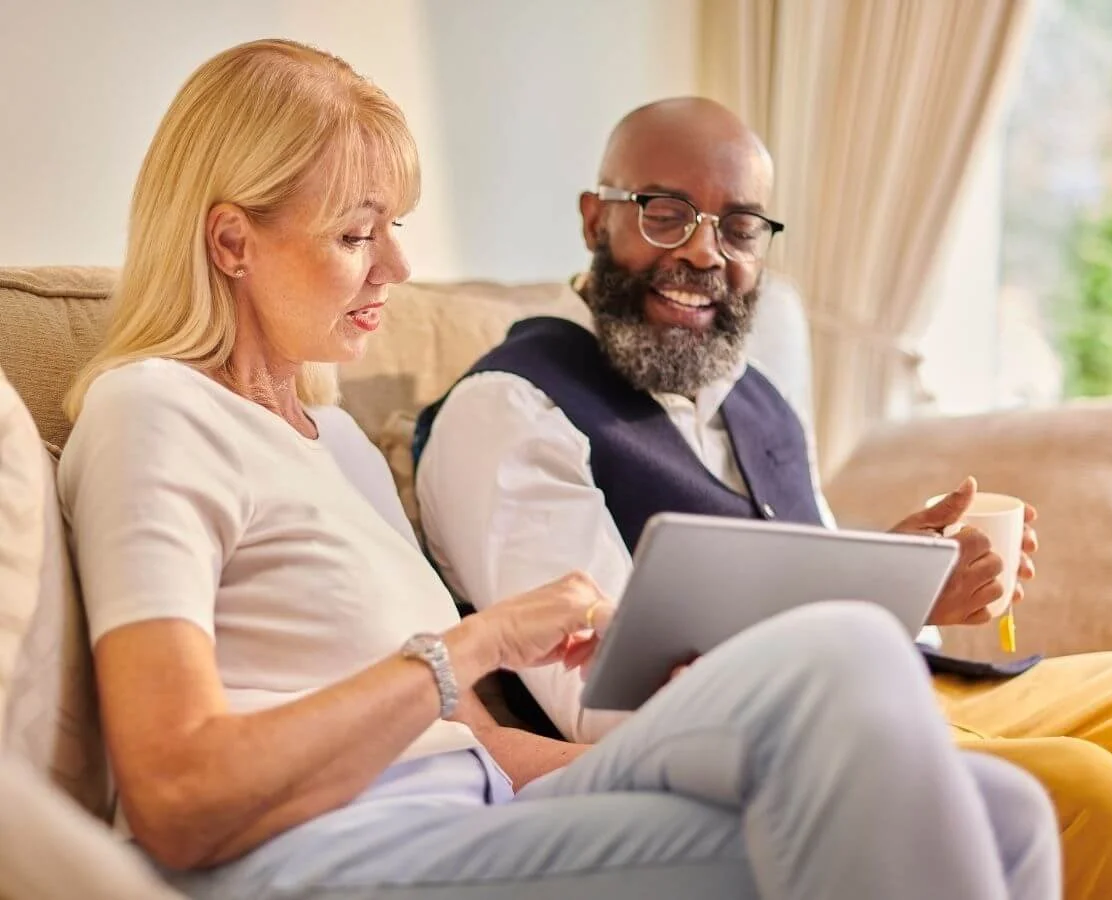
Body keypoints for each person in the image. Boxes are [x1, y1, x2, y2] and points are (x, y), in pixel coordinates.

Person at [53, 40, 1060, 900]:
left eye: (394, 228)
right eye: (358, 234)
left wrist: (674, 754)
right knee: (842, 657)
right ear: (231, 240)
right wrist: (477, 644)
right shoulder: (154, 411)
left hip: (479, 806)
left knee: (1005, 808)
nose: (396, 269)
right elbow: (178, 797)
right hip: (332, 856)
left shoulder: (339, 446)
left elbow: (473, 749)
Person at [415, 96, 1112, 900]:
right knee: (1084, 787)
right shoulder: (512, 409)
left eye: (740, 225)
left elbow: (828, 586)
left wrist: (917, 575)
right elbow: (609, 700)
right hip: (788, 742)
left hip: (911, 689)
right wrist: (880, 591)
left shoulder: (753, 395)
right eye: (665, 213)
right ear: (595, 220)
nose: (704, 251)